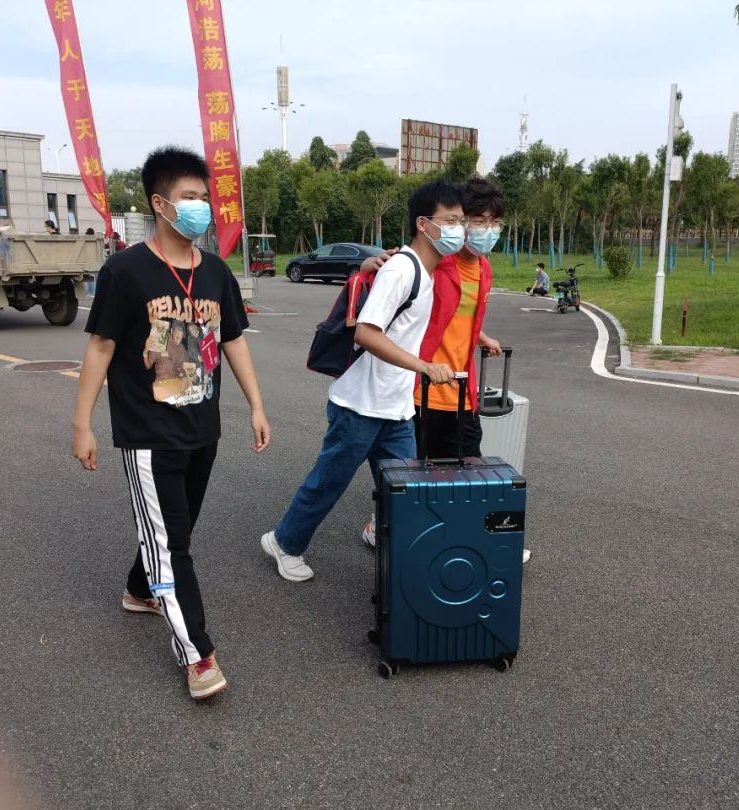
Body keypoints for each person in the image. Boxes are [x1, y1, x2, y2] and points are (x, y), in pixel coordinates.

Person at [72, 146, 271, 701]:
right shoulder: (125, 271)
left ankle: (140, 589)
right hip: (148, 434)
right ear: (160, 205)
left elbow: (232, 340)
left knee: (173, 534)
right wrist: (82, 424)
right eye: (189, 198)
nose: (201, 207)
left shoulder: (216, 272)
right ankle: (197, 655)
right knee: (173, 547)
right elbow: (101, 346)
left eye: (204, 197)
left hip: (202, 427)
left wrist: (256, 405)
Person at [259, 180, 462, 583]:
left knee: (404, 490)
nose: (460, 230)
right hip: (360, 407)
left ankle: (383, 538)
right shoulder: (403, 270)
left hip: (395, 408)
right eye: (451, 221)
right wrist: (423, 367)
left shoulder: (424, 271)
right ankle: (284, 542)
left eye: (462, 221)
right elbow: (366, 333)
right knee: (328, 484)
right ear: (423, 224)